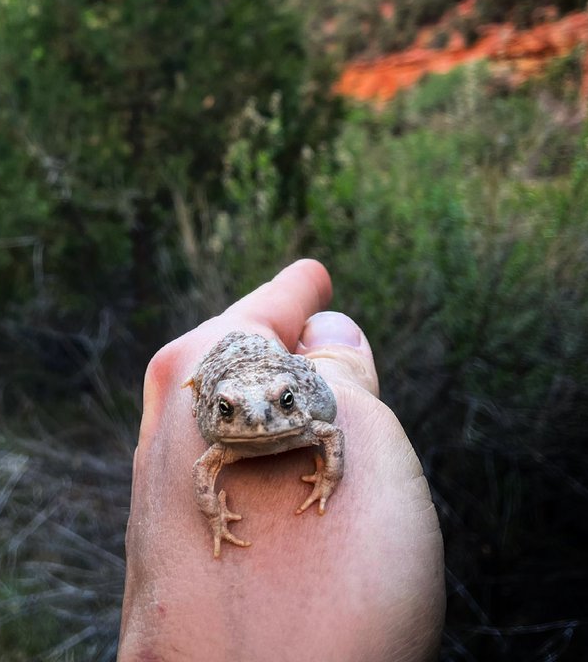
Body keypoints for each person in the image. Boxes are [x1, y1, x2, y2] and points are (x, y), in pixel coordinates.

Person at [118, 258, 445, 661]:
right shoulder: (223, 447)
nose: (258, 422)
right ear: (219, 410)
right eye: (228, 409)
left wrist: (329, 479)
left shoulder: (305, 427)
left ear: (292, 402)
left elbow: (332, 433)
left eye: (283, 403)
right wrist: (215, 519)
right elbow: (200, 469)